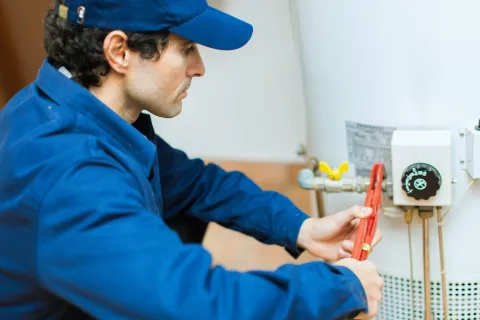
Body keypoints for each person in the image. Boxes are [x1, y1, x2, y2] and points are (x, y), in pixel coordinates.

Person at [0, 0, 384, 319]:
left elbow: (197, 184)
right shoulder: (71, 177)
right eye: (185, 49)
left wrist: (301, 228)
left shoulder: (75, 108)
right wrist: (339, 287)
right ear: (119, 52)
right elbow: (198, 306)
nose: (199, 67)